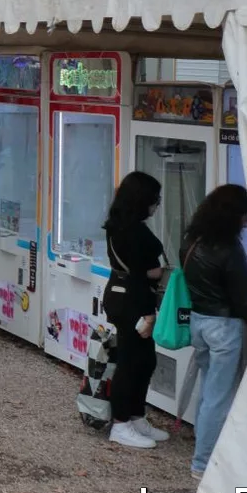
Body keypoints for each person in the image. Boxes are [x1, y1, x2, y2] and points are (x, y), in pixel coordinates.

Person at [181, 183, 247, 478]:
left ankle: (202, 447)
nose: (246, 222)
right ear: (235, 215)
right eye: (245, 215)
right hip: (225, 328)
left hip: (199, 322)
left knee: (209, 391)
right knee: (219, 397)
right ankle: (203, 463)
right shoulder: (230, 250)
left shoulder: (191, 240)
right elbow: (244, 302)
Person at [102, 171, 168, 450]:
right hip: (134, 301)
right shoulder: (133, 231)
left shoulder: (117, 224)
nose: (156, 205)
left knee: (144, 360)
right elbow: (144, 271)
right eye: (155, 199)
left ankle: (135, 415)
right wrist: (158, 275)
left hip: (121, 296)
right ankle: (120, 423)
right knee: (131, 363)